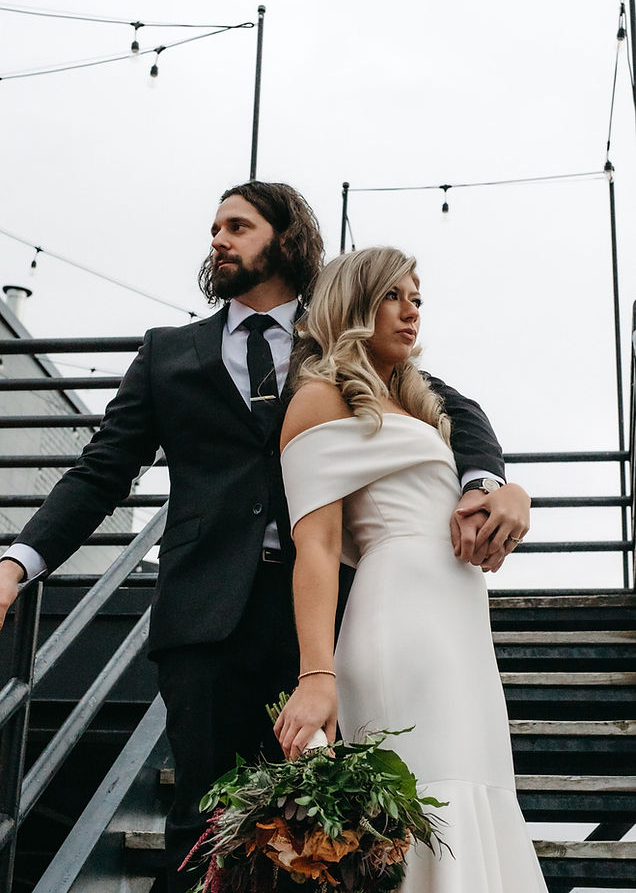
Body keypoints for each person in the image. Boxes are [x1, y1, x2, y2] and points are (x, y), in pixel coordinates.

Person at [0, 185, 527, 892]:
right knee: (204, 826)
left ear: (286, 239)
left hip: (330, 618)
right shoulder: (167, 354)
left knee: (328, 837)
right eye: (215, 227)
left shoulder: (340, 335)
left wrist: (489, 483)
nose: (218, 239)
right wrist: (17, 562)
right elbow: (101, 473)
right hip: (205, 620)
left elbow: (456, 410)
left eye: (238, 226)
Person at [274, 247, 544, 892]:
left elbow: (469, 468)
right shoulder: (319, 398)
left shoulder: (419, 404)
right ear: (354, 304)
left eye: (417, 299)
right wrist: (316, 675)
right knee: (427, 792)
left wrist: (506, 490)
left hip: (460, 627)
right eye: (392, 296)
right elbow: (316, 547)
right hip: (399, 620)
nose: (410, 311)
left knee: (472, 788)